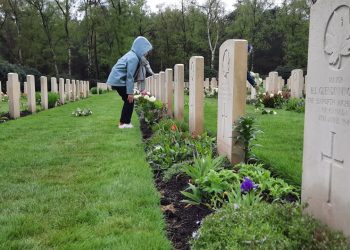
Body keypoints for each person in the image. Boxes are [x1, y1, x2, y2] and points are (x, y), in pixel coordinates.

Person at [106, 36, 153, 129]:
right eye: (145, 50)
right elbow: (129, 76)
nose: (146, 53)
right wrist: (130, 92)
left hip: (116, 79)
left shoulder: (132, 55)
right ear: (140, 48)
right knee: (129, 100)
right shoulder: (133, 58)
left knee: (128, 101)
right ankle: (124, 123)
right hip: (118, 80)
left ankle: (124, 122)